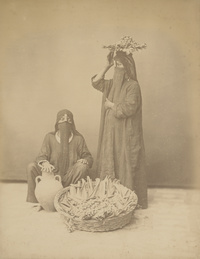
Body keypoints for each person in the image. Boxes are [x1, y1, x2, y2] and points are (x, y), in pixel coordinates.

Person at [91, 46, 148, 209]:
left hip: (125, 134)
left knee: (124, 163)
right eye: (115, 64)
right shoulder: (111, 85)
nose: (117, 68)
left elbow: (129, 107)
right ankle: (110, 197)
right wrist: (107, 65)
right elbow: (96, 83)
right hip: (110, 134)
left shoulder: (133, 86)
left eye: (120, 65)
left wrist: (111, 105)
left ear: (128, 67)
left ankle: (126, 199)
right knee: (110, 160)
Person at [26, 109, 93, 207]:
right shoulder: (49, 137)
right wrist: (45, 163)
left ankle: (69, 196)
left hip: (69, 177)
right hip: (51, 176)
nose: (65, 122)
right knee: (31, 166)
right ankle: (37, 200)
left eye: (68, 120)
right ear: (57, 123)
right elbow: (41, 156)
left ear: (72, 124)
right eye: (62, 119)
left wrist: (85, 160)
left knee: (82, 167)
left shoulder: (78, 139)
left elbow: (88, 156)